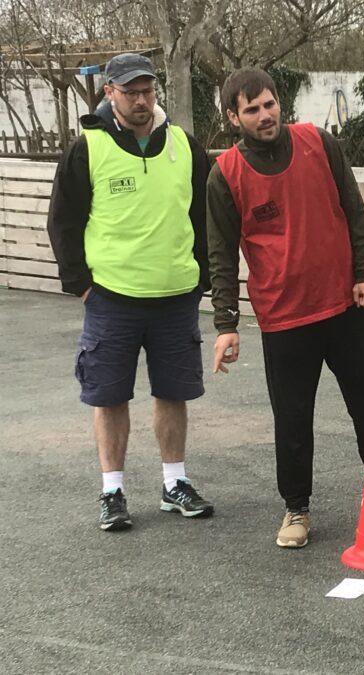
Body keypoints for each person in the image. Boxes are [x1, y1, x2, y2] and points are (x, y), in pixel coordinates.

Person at [207, 67, 364, 549]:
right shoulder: (225, 173)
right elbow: (220, 255)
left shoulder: (319, 143)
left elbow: (354, 210)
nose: (264, 115)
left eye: (269, 104)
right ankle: (297, 509)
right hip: (283, 318)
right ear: (234, 116)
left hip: (343, 305)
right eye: (252, 109)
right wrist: (226, 324)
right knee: (292, 419)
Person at [47, 53, 215, 532]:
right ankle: (112, 491)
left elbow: (204, 216)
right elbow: (63, 221)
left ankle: (174, 483)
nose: (141, 101)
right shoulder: (88, 148)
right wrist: (81, 286)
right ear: (109, 93)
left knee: (172, 393)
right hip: (112, 299)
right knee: (110, 396)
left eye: (147, 91)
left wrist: (202, 276)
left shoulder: (184, 145)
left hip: (175, 296)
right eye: (130, 92)